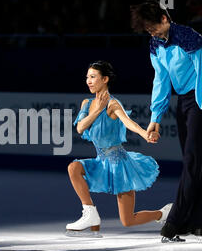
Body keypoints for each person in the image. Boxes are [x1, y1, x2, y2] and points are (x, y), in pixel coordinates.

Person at [130, 0, 202, 242]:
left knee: (192, 160)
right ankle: (197, 222)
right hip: (183, 102)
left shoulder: (188, 37)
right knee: (195, 162)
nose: (152, 33)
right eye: (148, 31)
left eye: (153, 27)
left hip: (200, 100)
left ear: (164, 18)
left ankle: (175, 221)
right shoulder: (156, 43)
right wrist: (156, 117)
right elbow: (160, 80)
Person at [66, 61, 172, 237]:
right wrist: (96, 110)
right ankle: (90, 213)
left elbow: (129, 123)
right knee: (74, 168)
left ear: (105, 79)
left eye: (93, 77)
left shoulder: (113, 104)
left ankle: (164, 214)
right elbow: (79, 128)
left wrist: (146, 134)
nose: (89, 81)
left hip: (119, 166)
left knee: (127, 220)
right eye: (87, 77)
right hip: (101, 161)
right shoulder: (87, 103)